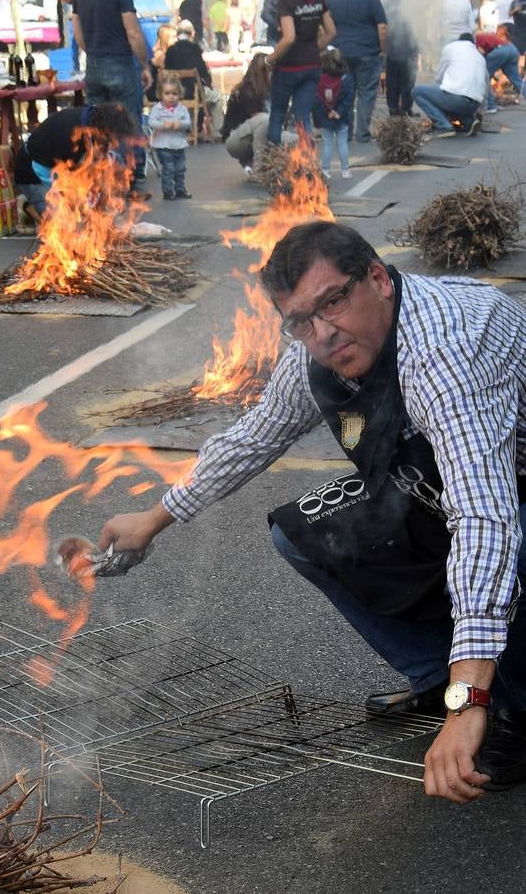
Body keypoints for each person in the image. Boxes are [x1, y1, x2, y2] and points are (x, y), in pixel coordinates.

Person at [99, 220, 526, 805]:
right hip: (444, 480)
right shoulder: (320, 351)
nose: (322, 334)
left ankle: (511, 708)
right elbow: (255, 436)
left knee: (503, 555)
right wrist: (154, 518)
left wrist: (469, 700)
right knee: (301, 534)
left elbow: (485, 517)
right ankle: (435, 675)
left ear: (377, 279)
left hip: (510, 488)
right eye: (300, 320)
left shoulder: (443, 353)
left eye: (334, 301)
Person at [72, 0, 152, 199]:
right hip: (120, 63)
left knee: (97, 125)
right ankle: (128, 181)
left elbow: (78, 33)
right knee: (126, 123)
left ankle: (102, 179)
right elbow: (133, 32)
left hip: (94, 63)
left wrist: (93, 53)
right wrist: (144, 65)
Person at [12, 102, 139, 217]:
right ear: (102, 131)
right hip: (33, 176)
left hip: (61, 169)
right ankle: (28, 206)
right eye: (112, 139)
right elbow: (70, 183)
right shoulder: (70, 137)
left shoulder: (92, 121)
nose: (114, 143)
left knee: (115, 162)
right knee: (64, 226)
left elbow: (100, 165)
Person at [265, 0, 336, 145]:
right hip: (312, 66)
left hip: (287, 67)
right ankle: (308, 159)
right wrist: (314, 49)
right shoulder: (318, 1)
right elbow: (331, 32)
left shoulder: (286, 3)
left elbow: (289, 38)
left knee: (278, 114)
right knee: (303, 117)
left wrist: (269, 59)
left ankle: (272, 158)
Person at [325, 0, 385, 143]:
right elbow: (382, 27)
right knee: (366, 93)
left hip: (342, 52)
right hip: (368, 51)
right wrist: (383, 50)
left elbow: (326, 25)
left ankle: (346, 133)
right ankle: (362, 134)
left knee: (346, 94)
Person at [221, 52, 295, 171]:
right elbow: (262, 123)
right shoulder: (247, 91)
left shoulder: (271, 90)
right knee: (264, 120)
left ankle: (297, 169)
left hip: (256, 134)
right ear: (263, 72)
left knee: (295, 139)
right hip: (236, 140)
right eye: (271, 71)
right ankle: (259, 167)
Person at [412, 33, 488, 137]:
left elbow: (439, 77)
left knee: (417, 91)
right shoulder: (480, 57)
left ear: (459, 40)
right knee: (453, 99)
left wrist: (437, 95)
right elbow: (486, 85)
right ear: (473, 43)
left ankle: (444, 126)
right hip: (475, 103)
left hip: (457, 98)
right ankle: (469, 122)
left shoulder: (451, 47)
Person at [164, 19, 226, 140]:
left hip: (174, 92)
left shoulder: (170, 51)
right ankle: (218, 133)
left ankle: (190, 129)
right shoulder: (195, 49)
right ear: (191, 34)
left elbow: (167, 71)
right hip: (193, 91)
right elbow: (203, 72)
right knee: (217, 98)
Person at [148, 74, 192, 200]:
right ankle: (168, 191)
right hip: (163, 144)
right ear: (161, 94)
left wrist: (180, 124)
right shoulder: (158, 109)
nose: (171, 97)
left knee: (180, 168)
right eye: (167, 93)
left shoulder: (182, 109)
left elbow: (188, 122)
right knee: (169, 168)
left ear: (179, 94)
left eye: (174, 93)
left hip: (179, 144)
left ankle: (180, 189)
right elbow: (151, 123)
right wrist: (163, 125)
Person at [313, 46, 353, 178]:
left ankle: (325, 170)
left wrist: (325, 114)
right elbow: (349, 98)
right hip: (341, 117)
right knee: (342, 143)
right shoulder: (345, 79)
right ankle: (345, 170)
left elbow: (317, 100)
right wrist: (338, 112)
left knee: (327, 144)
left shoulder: (320, 80)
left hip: (326, 118)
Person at [384, 0, 419, 116]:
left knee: (394, 83)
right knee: (407, 83)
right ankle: (404, 108)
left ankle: (395, 108)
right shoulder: (409, 4)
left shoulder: (391, 3)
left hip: (394, 51)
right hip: (405, 51)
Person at [476, 29, 523, 110]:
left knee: (484, 78)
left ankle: (491, 106)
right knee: (516, 80)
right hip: (512, 49)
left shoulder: (473, 41)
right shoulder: (483, 36)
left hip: (500, 51)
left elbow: (481, 53)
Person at [146, 24, 176, 102]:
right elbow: (170, 71)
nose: (176, 39)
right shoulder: (159, 54)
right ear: (165, 39)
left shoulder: (165, 53)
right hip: (157, 92)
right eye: (173, 37)